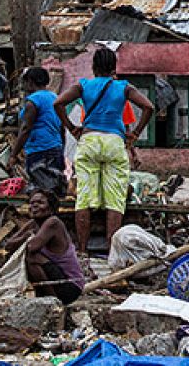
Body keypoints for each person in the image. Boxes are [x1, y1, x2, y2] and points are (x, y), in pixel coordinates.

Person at [54, 48, 153, 249]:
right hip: (114, 143)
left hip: (89, 140)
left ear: (93, 66)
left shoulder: (84, 86)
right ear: (114, 67)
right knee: (115, 199)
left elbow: (58, 103)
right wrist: (135, 134)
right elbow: (148, 107)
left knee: (84, 197)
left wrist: (72, 128)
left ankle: (82, 250)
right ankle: (112, 249)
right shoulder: (123, 87)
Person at [7, 190, 87, 304]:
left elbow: (31, 248)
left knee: (31, 257)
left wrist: (26, 238)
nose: (34, 206)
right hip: (55, 281)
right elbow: (8, 246)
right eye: (32, 203)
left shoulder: (53, 223)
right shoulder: (33, 223)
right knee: (20, 256)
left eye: (40, 202)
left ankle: (52, 300)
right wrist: (25, 236)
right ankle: (43, 296)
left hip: (70, 286)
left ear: (50, 208)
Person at [8, 67, 65, 196]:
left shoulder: (33, 102)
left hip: (39, 149)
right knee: (53, 189)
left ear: (30, 82)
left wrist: (13, 154)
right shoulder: (55, 97)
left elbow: (26, 128)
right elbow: (62, 127)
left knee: (40, 190)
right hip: (55, 148)